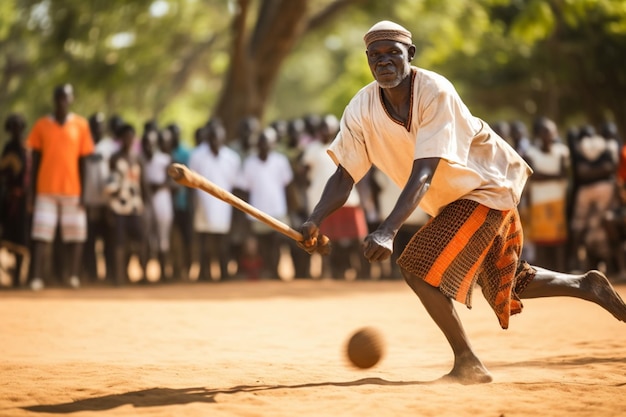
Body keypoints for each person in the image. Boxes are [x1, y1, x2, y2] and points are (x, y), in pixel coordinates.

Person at [298, 20, 626, 384]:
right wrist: (315, 219)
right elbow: (345, 174)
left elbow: (424, 171)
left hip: (485, 188)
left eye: (392, 52)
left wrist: (389, 230)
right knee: (505, 281)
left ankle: (468, 362)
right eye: (375, 56)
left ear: (411, 54)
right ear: (367, 60)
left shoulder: (434, 91)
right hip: (455, 200)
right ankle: (586, 286)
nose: (384, 61)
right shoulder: (361, 107)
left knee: (416, 264)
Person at [27, 84, 94, 290]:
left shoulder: (81, 125)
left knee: (76, 236)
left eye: (65, 97)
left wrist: (85, 193)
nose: (62, 101)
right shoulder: (41, 126)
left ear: (71, 99)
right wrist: (31, 193)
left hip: (73, 190)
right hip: (45, 190)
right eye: (59, 97)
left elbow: (84, 163)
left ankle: (72, 276)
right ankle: (36, 278)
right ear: (54, 100)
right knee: (41, 235)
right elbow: (35, 162)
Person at [189, 119, 241, 282]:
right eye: (212, 139)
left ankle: (223, 273)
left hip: (224, 206)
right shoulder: (197, 156)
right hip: (202, 205)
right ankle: (204, 273)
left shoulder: (232, 158)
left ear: (223, 139)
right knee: (204, 243)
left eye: (218, 139)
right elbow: (190, 183)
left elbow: (236, 184)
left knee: (222, 242)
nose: (215, 142)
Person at [240, 126, 293, 279]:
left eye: (268, 142)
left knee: (277, 243)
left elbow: (288, 187)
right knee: (262, 245)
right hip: (257, 212)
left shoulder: (281, 161)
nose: (264, 146)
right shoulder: (250, 163)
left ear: (273, 144)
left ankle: (276, 271)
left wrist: (290, 210)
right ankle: (265, 271)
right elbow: (245, 189)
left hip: (278, 210)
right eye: (262, 143)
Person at [524, 117, 570, 272]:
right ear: (538, 134)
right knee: (540, 242)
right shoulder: (530, 153)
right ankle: (542, 275)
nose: (549, 135)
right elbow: (533, 175)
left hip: (558, 201)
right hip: (538, 202)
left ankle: (560, 273)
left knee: (558, 242)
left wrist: (542, 176)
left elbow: (563, 174)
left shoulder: (562, 152)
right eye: (545, 131)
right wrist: (555, 176)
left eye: (551, 131)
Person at [105, 123, 149, 285]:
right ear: (121, 139)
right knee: (119, 242)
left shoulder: (138, 158)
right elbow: (109, 183)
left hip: (136, 206)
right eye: (126, 137)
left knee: (141, 240)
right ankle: (119, 277)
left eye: (131, 137)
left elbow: (143, 183)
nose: (129, 140)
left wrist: (145, 205)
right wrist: (110, 205)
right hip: (118, 206)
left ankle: (143, 275)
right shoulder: (115, 158)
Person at [0, 113, 31, 287]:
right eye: (13, 127)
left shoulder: (26, 149)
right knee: (6, 237)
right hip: (9, 200)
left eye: (19, 127)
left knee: (21, 239)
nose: (16, 130)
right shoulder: (8, 149)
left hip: (23, 202)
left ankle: (18, 278)